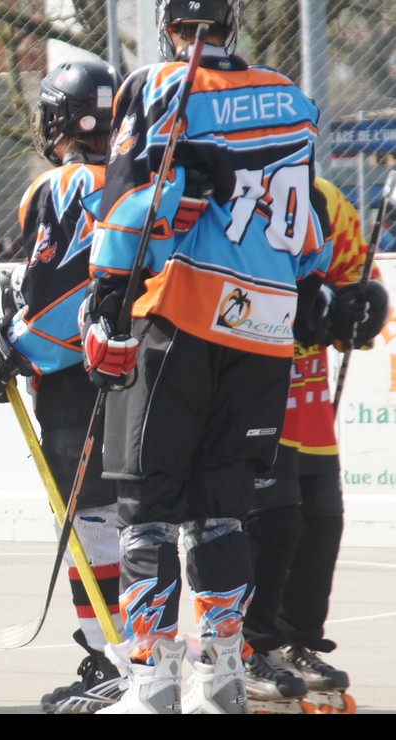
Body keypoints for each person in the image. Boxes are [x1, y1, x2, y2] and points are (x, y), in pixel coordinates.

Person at [84, 0, 331, 714]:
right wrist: (308, 290)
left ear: (168, 25)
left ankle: (153, 680)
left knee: (147, 506)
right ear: (232, 22)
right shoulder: (288, 96)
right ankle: (220, 675)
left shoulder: (159, 84)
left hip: (184, 318)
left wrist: (105, 303)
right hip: (265, 329)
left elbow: (128, 203)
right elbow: (308, 223)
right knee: (221, 510)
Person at [0, 59, 125, 714]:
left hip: (82, 385)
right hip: (155, 376)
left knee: (91, 522)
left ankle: (112, 660)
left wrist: (10, 344)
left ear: (57, 121)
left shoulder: (63, 185)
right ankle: (152, 656)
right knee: (143, 521)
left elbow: (61, 300)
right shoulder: (146, 174)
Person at [243, 176, 388, 712]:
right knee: (271, 524)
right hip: (253, 392)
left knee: (320, 523)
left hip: (309, 400)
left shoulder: (323, 195)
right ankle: (249, 645)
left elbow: (358, 275)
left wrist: (359, 305)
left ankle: (296, 640)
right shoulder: (236, 190)